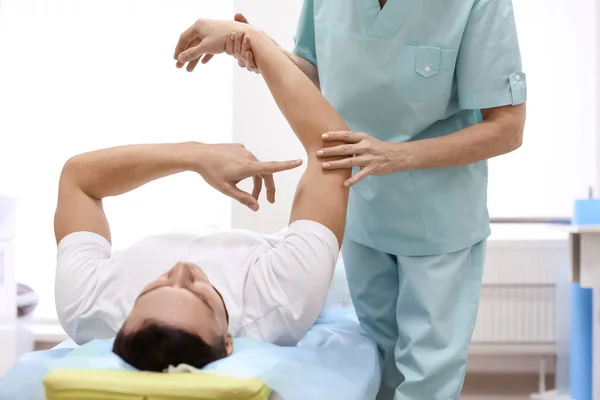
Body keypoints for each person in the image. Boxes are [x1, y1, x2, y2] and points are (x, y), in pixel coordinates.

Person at [176, 1, 527, 399]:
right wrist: (256, 47)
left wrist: (400, 155)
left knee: (427, 382)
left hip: (438, 218)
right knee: (374, 368)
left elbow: (508, 128)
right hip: (361, 208)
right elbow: (315, 72)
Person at [54, 20, 352, 373]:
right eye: (199, 293)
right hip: (287, 255)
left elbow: (78, 179)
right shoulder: (280, 301)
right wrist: (250, 41)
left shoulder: (87, 308)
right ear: (229, 342)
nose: (181, 268)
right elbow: (332, 151)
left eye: (152, 289)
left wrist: (195, 155)